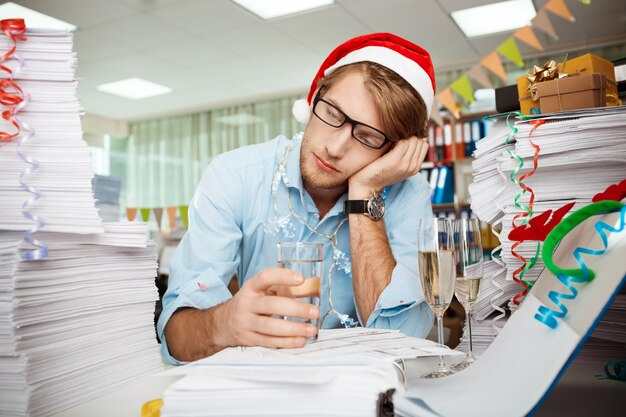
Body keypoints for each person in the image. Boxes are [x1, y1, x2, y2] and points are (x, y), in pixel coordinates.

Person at [158, 33, 437, 364]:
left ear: (394, 150)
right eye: (332, 113)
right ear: (314, 97)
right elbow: (176, 338)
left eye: (368, 137)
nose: (334, 148)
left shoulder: (408, 193)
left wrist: (365, 194)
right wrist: (224, 323)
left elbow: (402, 342)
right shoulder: (235, 175)